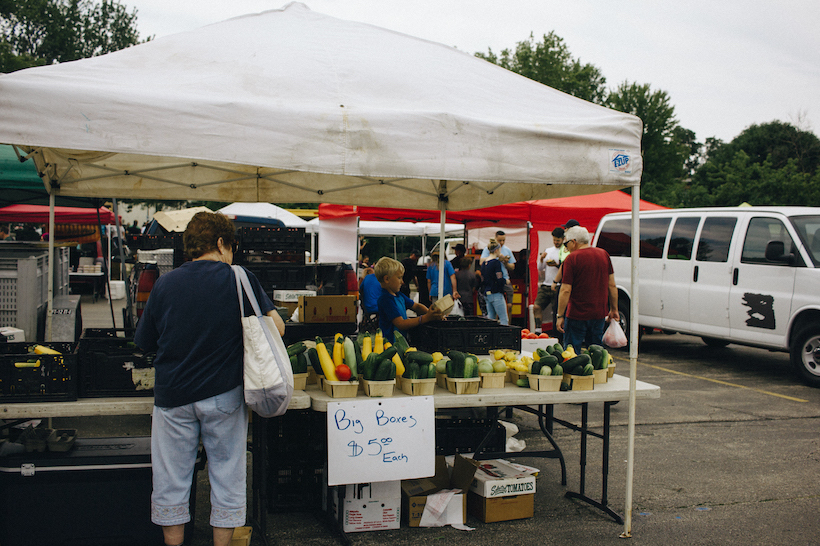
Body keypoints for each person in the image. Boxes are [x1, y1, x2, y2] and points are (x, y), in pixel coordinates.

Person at [134, 211, 283, 546]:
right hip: (224, 394)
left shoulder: (165, 283)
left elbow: (144, 341)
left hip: (173, 395)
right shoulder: (238, 279)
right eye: (230, 246)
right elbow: (279, 329)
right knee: (226, 476)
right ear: (220, 242)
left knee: (172, 479)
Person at [555, 225, 619, 350]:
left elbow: (565, 289)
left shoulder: (571, 259)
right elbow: (612, 285)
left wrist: (560, 315)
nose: (566, 248)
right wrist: (614, 309)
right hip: (599, 314)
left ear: (573, 242)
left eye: (566, 244)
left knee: (572, 353)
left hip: (576, 314)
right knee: (596, 353)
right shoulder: (603, 254)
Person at [375, 256, 444, 343]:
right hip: (390, 345)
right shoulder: (385, 299)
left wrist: (431, 314)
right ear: (387, 279)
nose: (402, 282)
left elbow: (416, 306)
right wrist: (425, 318)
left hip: (400, 343)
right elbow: (401, 324)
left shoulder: (399, 295)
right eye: (399, 278)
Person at [534, 227, 564, 331]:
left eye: (558, 240)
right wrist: (542, 259)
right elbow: (540, 268)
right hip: (546, 284)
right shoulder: (548, 250)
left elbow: (565, 268)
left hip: (558, 285)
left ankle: (556, 333)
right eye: (554, 240)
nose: (556, 242)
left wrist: (556, 265)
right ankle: (538, 330)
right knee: (537, 307)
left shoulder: (564, 251)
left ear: (563, 239)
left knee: (555, 311)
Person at [479, 230, 515, 318]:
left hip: (505, 279)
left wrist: (505, 262)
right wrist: (494, 257)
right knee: (496, 309)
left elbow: (513, 266)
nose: (502, 242)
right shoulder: (489, 249)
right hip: (494, 281)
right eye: (500, 240)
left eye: (503, 240)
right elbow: (481, 262)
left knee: (509, 306)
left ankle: (509, 327)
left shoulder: (507, 250)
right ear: (495, 239)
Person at [480, 239, 508, 325]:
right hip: (496, 293)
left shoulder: (484, 263)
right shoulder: (496, 263)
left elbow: (483, 278)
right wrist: (505, 281)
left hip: (487, 293)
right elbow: (499, 277)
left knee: (491, 318)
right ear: (496, 250)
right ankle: (504, 336)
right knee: (504, 318)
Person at [358, 267, 381, 332]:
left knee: (366, 314)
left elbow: (360, 290)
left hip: (367, 307)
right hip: (379, 307)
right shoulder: (380, 280)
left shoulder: (366, 279)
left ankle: (365, 323)